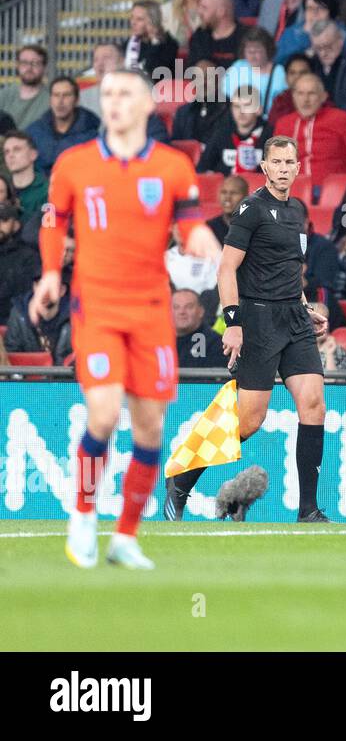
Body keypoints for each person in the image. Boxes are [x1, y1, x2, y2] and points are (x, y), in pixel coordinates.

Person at [43, 69, 221, 569]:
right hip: (96, 306)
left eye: (125, 93)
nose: (114, 102)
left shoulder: (172, 167)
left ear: (148, 103)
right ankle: (82, 515)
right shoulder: (74, 164)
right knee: (102, 415)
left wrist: (201, 238)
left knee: (149, 431)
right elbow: (54, 222)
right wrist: (50, 276)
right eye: (108, 95)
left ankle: (124, 537)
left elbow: (188, 224)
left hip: (150, 311)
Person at [165, 135, 331, 523]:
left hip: (293, 318)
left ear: (297, 167)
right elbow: (226, 268)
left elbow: (288, 269)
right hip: (258, 320)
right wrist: (234, 324)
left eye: (291, 163)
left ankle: (308, 510)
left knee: (314, 405)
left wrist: (306, 308)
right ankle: (182, 480)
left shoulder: (295, 213)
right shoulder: (250, 209)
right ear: (265, 167)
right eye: (277, 162)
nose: (285, 169)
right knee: (250, 421)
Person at [272, 72, 346, 178]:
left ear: (323, 97)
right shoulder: (283, 124)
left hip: (333, 189)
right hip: (293, 189)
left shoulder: (341, 119)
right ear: (293, 97)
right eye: (300, 93)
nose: (305, 100)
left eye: (311, 93)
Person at [27, 77, 100, 175]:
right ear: (50, 100)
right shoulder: (33, 133)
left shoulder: (92, 137)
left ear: (76, 100)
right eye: (56, 95)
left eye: (66, 95)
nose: (60, 101)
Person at [196, 85, 268, 175]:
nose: (241, 112)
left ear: (259, 110)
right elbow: (202, 169)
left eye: (247, 105)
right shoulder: (221, 133)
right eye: (236, 106)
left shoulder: (270, 136)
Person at [0, 202, 38, 320]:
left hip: (12, 322)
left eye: (4, 220)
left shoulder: (28, 256)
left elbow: (23, 297)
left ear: (16, 224)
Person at [0, 45, 50, 131]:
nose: (29, 68)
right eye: (24, 63)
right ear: (18, 66)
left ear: (44, 68)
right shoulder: (3, 95)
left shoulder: (52, 98)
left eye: (35, 63)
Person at [172, 288, 224, 369]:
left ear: (201, 311)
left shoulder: (216, 343)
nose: (182, 312)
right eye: (176, 307)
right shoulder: (157, 341)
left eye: (189, 307)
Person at [2, 130, 46, 223]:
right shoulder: (2, 188)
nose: (10, 155)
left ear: (33, 155)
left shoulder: (48, 190)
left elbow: (51, 228)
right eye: (6, 152)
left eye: (17, 149)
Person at [206, 174, 249, 245]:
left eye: (234, 193)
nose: (227, 198)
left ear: (246, 198)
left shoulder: (256, 228)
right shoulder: (209, 228)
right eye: (224, 192)